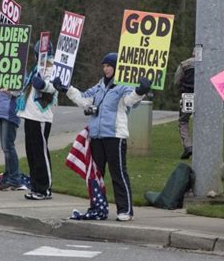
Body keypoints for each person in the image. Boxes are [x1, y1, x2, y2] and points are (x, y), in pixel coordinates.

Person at [53, 53, 150, 221]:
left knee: (118, 172)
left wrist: (140, 91)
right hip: (96, 136)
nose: (105, 69)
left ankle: (125, 210)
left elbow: (130, 101)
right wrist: (66, 89)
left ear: (117, 67)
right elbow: (84, 99)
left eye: (109, 65)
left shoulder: (123, 87)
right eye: (104, 66)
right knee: (95, 174)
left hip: (115, 136)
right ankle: (97, 207)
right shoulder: (98, 87)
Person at [16, 40, 57, 200]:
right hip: (29, 115)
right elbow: (27, 88)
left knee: (41, 154)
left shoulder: (52, 69)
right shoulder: (36, 69)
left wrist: (43, 85)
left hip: (41, 116)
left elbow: (53, 87)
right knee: (32, 153)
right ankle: (35, 185)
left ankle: (44, 188)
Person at [0, 87, 23, 190]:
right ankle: (8, 177)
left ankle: (14, 179)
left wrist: (9, 91)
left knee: (8, 147)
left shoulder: (18, 71)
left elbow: (20, 91)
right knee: (6, 148)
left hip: (9, 112)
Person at [174, 51, 195, 159]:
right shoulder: (209, 65)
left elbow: (177, 80)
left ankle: (188, 146)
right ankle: (201, 147)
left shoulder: (184, 64)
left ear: (193, 52)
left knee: (183, 121)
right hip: (203, 97)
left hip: (188, 96)